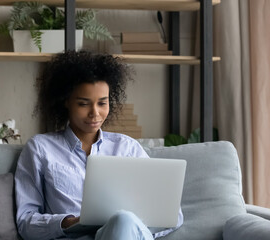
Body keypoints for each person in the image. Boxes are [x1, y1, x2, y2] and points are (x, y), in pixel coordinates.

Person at [15, 51, 183, 240]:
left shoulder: (127, 148)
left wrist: (128, 224)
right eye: (83, 104)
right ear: (65, 102)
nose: (95, 113)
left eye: (102, 103)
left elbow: (173, 215)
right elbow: (25, 221)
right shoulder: (40, 149)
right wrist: (67, 222)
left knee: (123, 220)